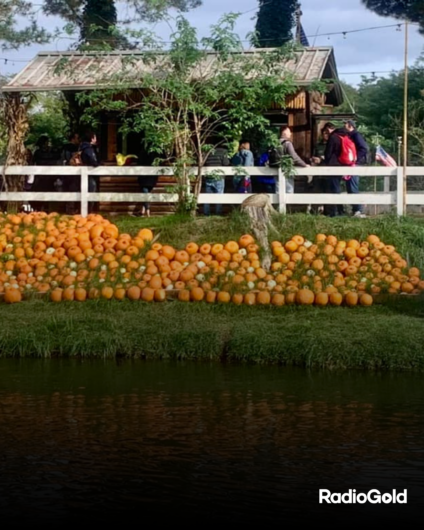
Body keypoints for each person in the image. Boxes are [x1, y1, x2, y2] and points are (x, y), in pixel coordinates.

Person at [323, 122, 356, 217]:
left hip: (333, 165)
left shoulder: (333, 137)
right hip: (342, 164)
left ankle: (335, 212)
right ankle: (340, 210)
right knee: (337, 187)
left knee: (334, 189)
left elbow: (328, 153)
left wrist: (327, 162)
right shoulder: (345, 136)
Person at [269, 125, 309, 194]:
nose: (290, 133)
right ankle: (288, 204)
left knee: (278, 189)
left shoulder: (274, 143)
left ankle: (279, 204)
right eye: (289, 132)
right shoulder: (287, 143)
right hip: (287, 169)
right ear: (284, 133)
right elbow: (294, 157)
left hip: (275, 168)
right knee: (289, 189)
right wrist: (304, 164)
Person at [344, 119, 368, 218]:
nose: (344, 126)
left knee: (353, 186)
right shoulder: (351, 135)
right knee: (350, 186)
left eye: (345, 124)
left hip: (355, 164)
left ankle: (358, 210)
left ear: (350, 126)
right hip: (352, 164)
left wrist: (355, 160)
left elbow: (364, 148)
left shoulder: (355, 135)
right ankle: (355, 210)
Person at [203, 145, 230, 216]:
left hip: (209, 177)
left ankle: (206, 213)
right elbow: (226, 163)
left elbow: (203, 162)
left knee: (207, 197)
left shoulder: (208, 151)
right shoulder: (223, 152)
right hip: (219, 177)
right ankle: (218, 213)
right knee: (219, 196)